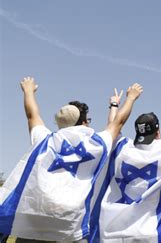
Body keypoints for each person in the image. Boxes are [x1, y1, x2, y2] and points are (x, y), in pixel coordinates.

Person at [0, 77, 143, 241]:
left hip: (36, 215)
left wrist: (28, 91)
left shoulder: (45, 140)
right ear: (82, 122)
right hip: (69, 219)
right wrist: (129, 98)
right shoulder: (95, 144)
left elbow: (32, 115)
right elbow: (118, 123)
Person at [90, 98, 161, 242]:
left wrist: (114, 105)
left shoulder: (121, 147)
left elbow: (112, 126)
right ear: (157, 132)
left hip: (113, 233)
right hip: (151, 234)